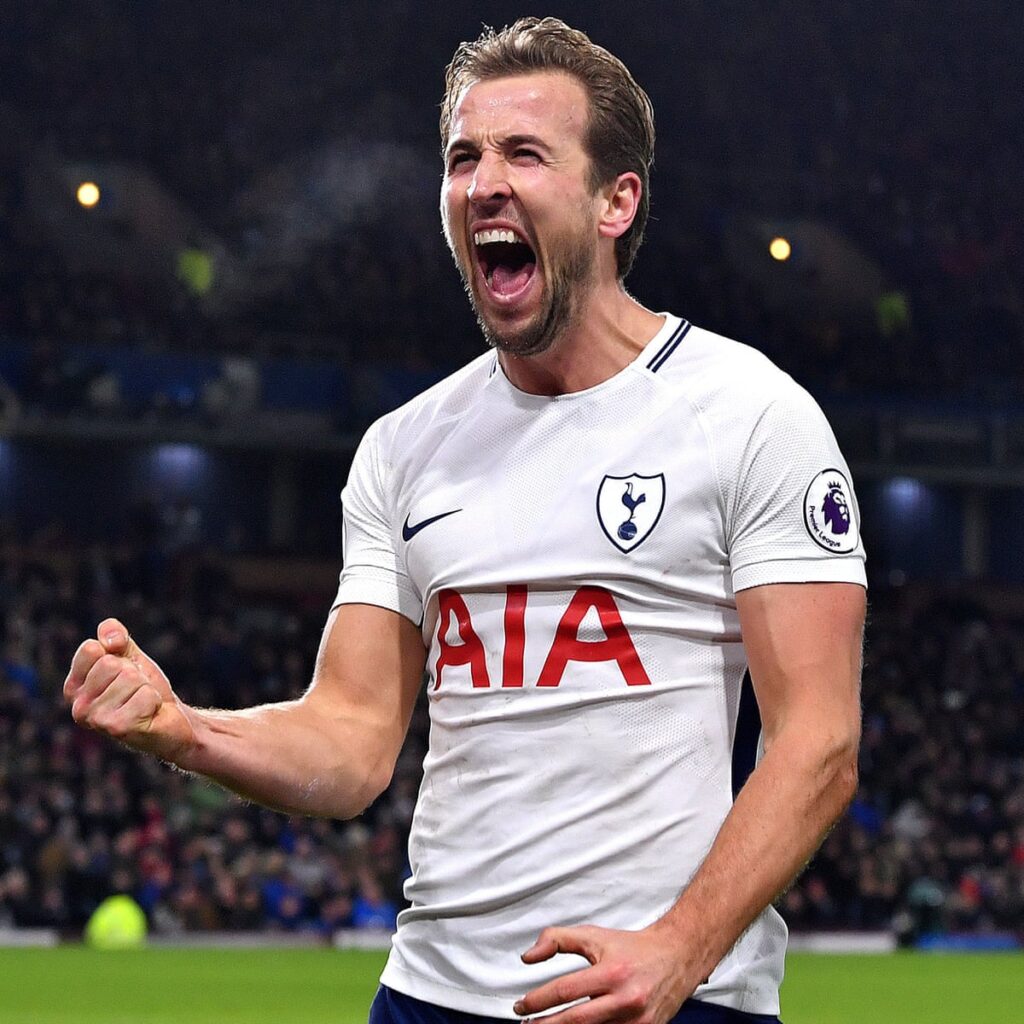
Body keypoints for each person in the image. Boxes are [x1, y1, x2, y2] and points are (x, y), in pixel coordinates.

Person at [64, 17, 866, 1024]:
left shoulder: (748, 414)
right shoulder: (405, 448)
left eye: (524, 153)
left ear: (616, 200)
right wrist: (188, 730)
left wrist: (679, 949)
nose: (482, 183)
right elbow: (352, 739)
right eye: (462, 158)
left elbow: (818, 741)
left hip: (665, 996)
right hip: (428, 995)